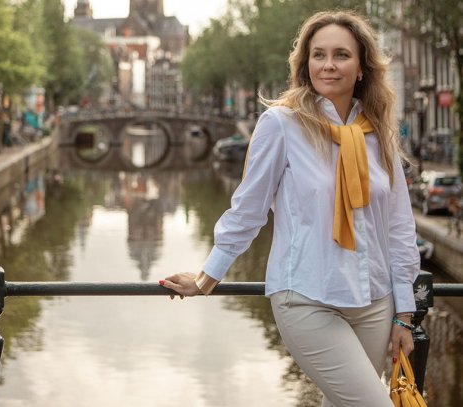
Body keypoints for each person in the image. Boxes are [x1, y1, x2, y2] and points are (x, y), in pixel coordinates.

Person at [160, 10, 420, 407]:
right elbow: (248, 209)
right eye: (318, 55)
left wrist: (404, 314)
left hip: (374, 302)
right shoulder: (281, 124)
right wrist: (207, 276)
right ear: (305, 64)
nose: (329, 65)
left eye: (341, 55)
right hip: (307, 297)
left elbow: (399, 227)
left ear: (363, 67)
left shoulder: (378, 131)